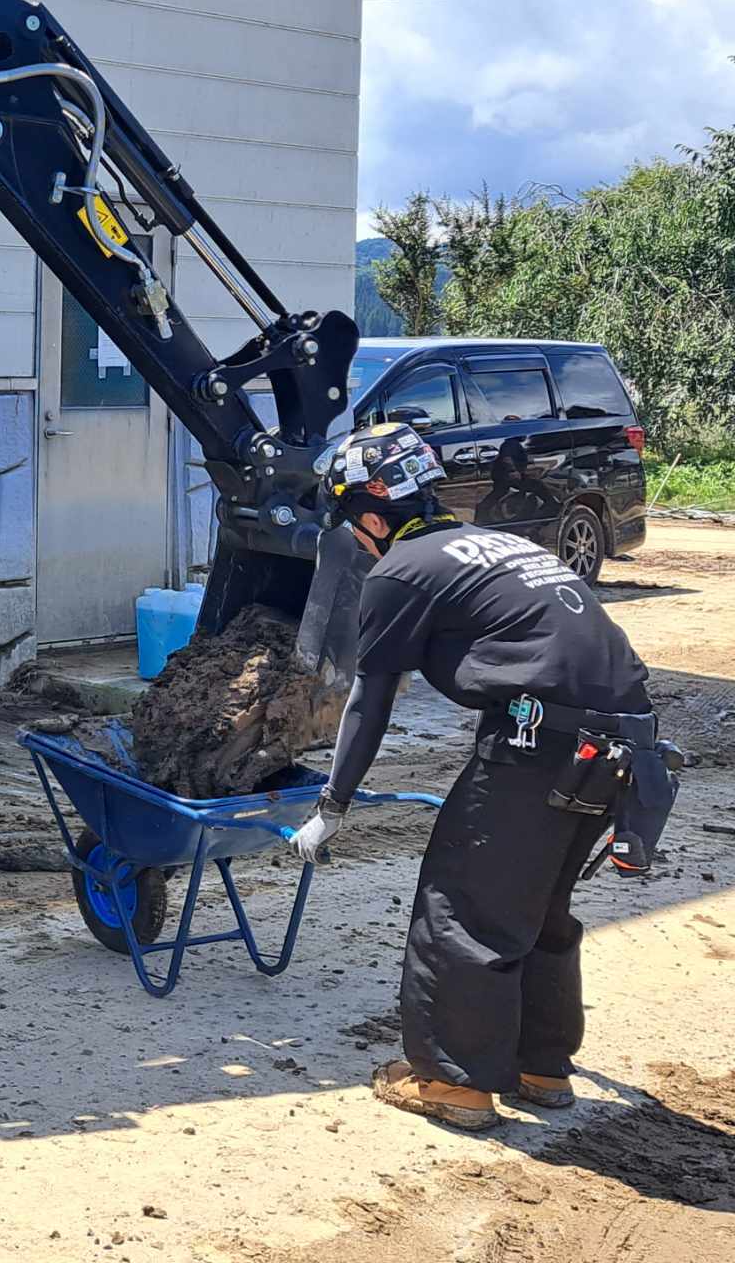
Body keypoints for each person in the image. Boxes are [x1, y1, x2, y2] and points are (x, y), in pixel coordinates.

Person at [286, 423, 661, 1131]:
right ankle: (540, 1066)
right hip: (620, 746)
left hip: (539, 745)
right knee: (538, 905)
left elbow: (370, 697)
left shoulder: (401, 569)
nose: (356, 542)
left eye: (352, 527)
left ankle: (454, 1086)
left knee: (461, 906)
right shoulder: (504, 546)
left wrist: (333, 804)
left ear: (371, 518)